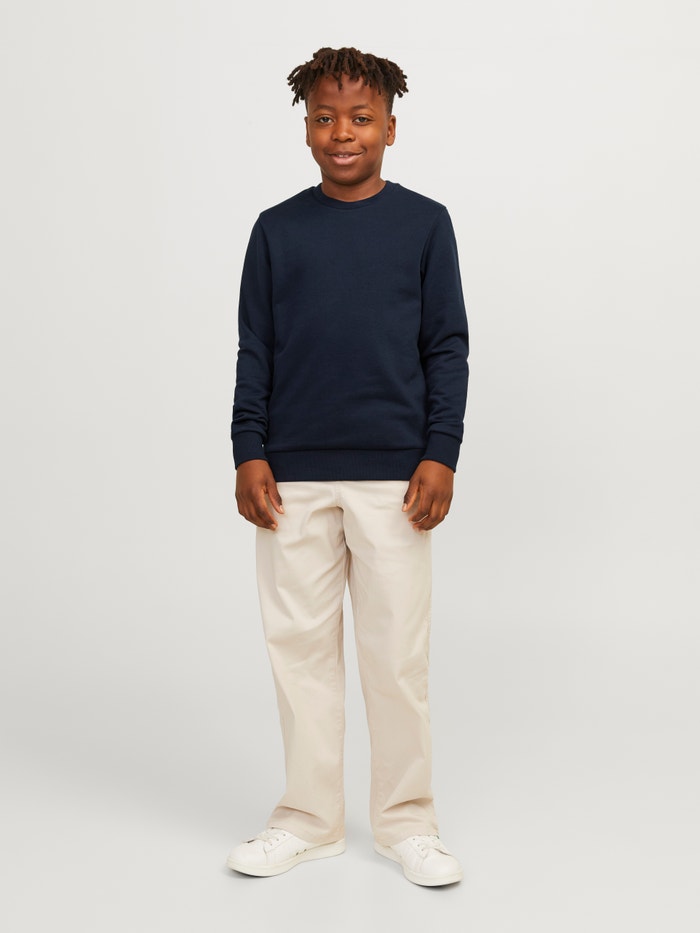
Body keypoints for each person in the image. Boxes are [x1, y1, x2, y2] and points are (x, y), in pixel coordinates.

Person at [227, 46, 469, 887]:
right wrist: (248, 449)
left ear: (390, 129)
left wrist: (440, 452)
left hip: (396, 478)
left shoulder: (425, 225)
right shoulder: (276, 230)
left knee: (396, 656)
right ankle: (309, 818)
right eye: (325, 117)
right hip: (291, 479)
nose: (342, 133)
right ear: (305, 128)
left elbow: (447, 347)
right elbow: (255, 350)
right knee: (299, 652)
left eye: (361, 118)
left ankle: (408, 822)